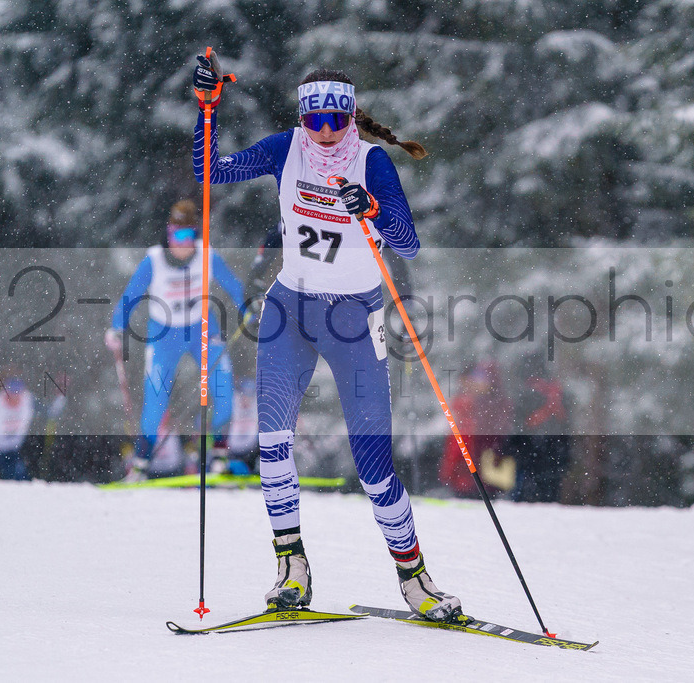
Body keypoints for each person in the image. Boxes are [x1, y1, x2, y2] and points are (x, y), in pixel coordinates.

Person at [192, 56, 465, 623]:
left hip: (353, 320)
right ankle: (291, 566)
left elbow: (408, 244)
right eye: (313, 121)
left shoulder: (371, 161)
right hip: (289, 310)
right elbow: (210, 173)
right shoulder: (284, 148)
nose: (323, 133)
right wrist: (207, 109)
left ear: (350, 116)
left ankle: (415, 579)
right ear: (301, 118)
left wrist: (372, 210)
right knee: (271, 445)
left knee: (373, 467)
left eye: (335, 120)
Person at [105, 199, 246, 481]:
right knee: (156, 400)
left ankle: (219, 458)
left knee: (223, 389)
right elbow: (130, 296)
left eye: (187, 236)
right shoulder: (154, 260)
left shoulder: (207, 256)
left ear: (196, 235)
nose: (181, 243)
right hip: (164, 335)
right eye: (174, 235)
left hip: (202, 330)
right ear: (167, 234)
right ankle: (141, 466)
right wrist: (116, 328)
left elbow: (234, 286)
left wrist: (249, 308)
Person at [439, 360, 514, 497]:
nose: (476, 383)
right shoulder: (470, 402)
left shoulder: (489, 404)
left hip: (481, 468)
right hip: (468, 467)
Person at [507, 354, 571, 503]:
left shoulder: (528, 394)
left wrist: (512, 449)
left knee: (524, 497)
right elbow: (566, 426)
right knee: (549, 497)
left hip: (531, 456)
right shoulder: (558, 394)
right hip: (552, 455)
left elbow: (520, 426)